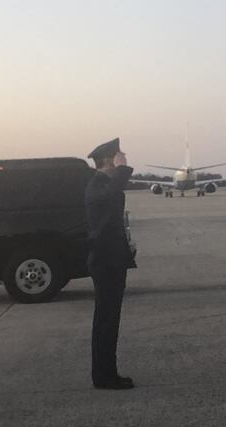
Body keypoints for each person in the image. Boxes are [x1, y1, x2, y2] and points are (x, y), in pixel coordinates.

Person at [85, 138, 137, 390]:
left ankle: (106, 373)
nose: (124, 156)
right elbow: (111, 195)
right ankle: (104, 376)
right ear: (109, 159)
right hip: (106, 263)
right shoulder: (99, 184)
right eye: (120, 154)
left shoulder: (103, 185)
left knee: (108, 320)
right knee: (106, 321)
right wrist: (123, 168)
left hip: (111, 260)